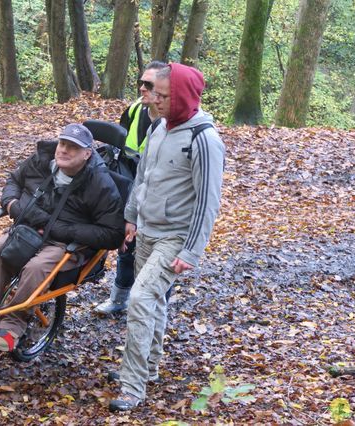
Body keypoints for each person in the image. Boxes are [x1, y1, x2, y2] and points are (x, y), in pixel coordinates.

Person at [108, 63, 226, 412]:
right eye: (153, 94)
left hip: (175, 236)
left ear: (182, 96)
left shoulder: (204, 139)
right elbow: (142, 176)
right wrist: (131, 216)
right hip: (147, 230)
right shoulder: (158, 126)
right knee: (155, 302)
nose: (152, 101)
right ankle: (150, 367)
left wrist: (192, 251)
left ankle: (132, 386)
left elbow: (208, 201)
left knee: (141, 299)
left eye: (161, 95)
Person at [0, 124, 125, 352]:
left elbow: (112, 234)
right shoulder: (41, 161)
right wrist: (10, 203)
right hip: (28, 229)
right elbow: (14, 180)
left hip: (67, 243)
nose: (64, 150)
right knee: (0, 247)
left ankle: (14, 323)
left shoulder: (99, 183)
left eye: (73, 147)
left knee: (37, 267)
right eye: (62, 144)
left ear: (87, 154)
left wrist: (60, 230)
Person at [95, 60, 167, 315]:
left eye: (149, 84)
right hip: (131, 185)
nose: (142, 88)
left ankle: (156, 309)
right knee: (127, 246)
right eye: (141, 83)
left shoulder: (174, 120)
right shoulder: (135, 110)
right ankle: (119, 299)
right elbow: (121, 147)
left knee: (158, 257)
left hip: (160, 197)